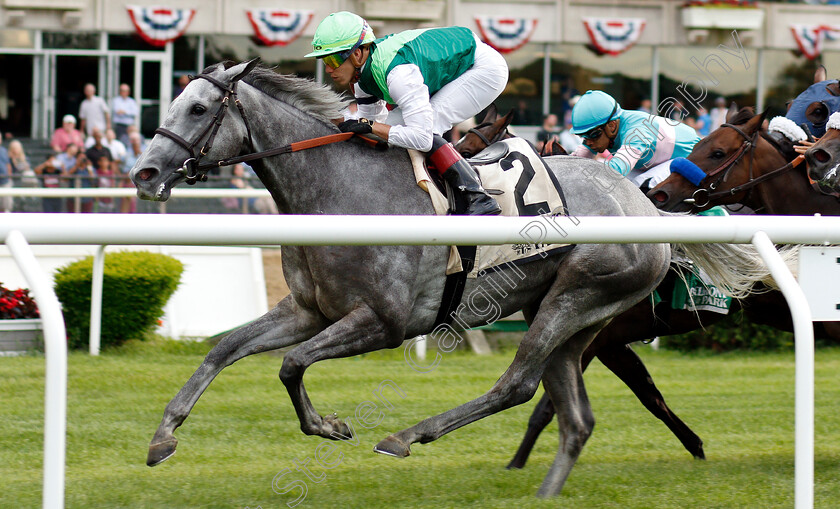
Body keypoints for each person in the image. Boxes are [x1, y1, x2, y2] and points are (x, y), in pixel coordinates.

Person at [305, 11, 508, 215]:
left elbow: (422, 138)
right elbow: (371, 128)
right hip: (453, 67)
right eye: (324, 61)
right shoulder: (361, 79)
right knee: (387, 133)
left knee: (430, 124)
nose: (328, 69)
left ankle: (476, 195)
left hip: (483, 68)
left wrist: (371, 125)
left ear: (357, 54)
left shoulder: (398, 74)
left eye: (332, 60)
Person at [569, 90, 700, 192]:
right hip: (654, 163)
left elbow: (614, 173)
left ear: (612, 126)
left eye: (592, 135)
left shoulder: (637, 130)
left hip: (688, 161)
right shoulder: (603, 130)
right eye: (583, 136)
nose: (589, 142)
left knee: (636, 187)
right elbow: (576, 162)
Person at [121, 132, 144, 213]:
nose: (135, 144)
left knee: (134, 206)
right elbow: (121, 167)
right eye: (133, 142)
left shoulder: (144, 154)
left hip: (139, 185)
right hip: (127, 183)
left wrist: (140, 153)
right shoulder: (127, 154)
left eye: (136, 142)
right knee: (125, 205)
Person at [0, 133, 10, 213]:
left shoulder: (4, 150)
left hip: (4, 180)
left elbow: (8, 164)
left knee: (5, 204)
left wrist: (9, 177)